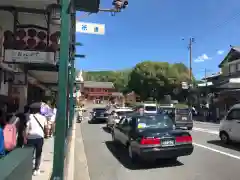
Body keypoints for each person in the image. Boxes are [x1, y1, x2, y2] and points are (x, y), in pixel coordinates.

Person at [26, 106, 47, 176]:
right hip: (40, 137)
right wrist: (46, 134)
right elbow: (46, 127)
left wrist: (26, 136)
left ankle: (29, 168)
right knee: (38, 154)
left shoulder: (30, 117)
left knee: (30, 154)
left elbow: (27, 127)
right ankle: (36, 169)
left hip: (31, 137)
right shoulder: (43, 117)